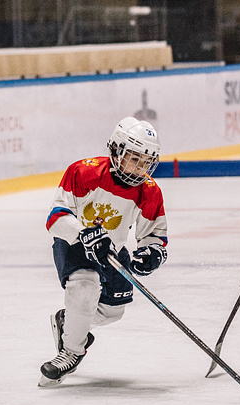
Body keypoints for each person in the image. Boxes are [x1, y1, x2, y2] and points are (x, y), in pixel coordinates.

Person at [39, 117, 168, 386]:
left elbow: (154, 235)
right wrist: (83, 233)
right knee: (84, 285)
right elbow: (56, 217)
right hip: (75, 241)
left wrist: (151, 253)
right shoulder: (83, 172)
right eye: (135, 158)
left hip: (112, 249)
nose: (140, 168)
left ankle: (69, 321)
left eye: (146, 162)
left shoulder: (149, 191)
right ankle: (71, 351)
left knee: (113, 310)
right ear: (116, 150)